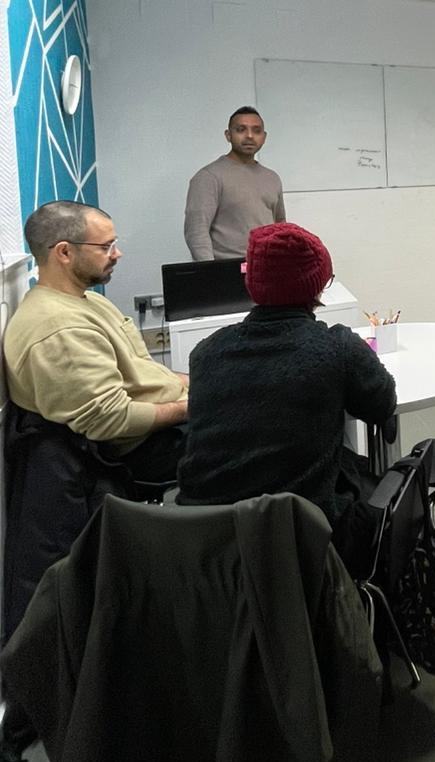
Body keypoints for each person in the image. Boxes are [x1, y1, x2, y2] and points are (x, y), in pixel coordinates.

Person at [177, 221, 396, 575]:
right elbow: (382, 404)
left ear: (252, 282)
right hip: (301, 541)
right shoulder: (336, 347)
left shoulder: (205, 353)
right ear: (317, 287)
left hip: (206, 546)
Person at [4, 201, 188, 475]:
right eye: (105, 247)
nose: (117, 254)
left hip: (169, 424)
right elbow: (111, 419)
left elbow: (142, 370)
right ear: (64, 252)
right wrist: (192, 407)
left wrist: (205, 383)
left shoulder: (88, 301)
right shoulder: (59, 330)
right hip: (149, 448)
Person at [184, 106, 285, 261]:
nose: (249, 136)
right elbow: (196, 232)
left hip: (267, 268)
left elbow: (281, 227)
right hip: (227, 270)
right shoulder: (209, 177)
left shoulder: (272, 178)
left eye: (256, 131)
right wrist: (211, 271)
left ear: (264, 137)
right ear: (228, 135)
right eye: (241, 130)